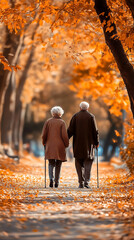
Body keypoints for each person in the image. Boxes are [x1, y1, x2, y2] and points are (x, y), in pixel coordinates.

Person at [67, 101, 99, 188]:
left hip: (78, 144)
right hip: (89, 145)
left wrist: (65, 140)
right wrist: (97, 143)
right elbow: (95, 132)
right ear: (87, 108)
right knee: (88, 162)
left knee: (78, 162)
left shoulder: (75, 116)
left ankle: (81, 182)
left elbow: (70, 130)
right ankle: (86, 182)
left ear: (80, 108)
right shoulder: (91, 117)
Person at [42, 106, 69, 188]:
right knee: (58, 163)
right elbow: (64, 135)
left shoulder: (48, 122)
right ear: (60, 113)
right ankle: (56, 181)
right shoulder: (62, 122)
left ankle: (51, 179)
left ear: (52, 113)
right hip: (60, 145)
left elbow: (44, 134)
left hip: (50, 145)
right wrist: (66, 144)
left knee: (51, 163)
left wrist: (44, 142)